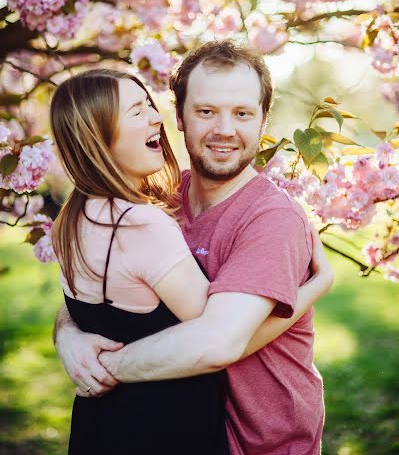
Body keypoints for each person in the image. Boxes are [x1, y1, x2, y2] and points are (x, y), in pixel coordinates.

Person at [54, 41, 334, 455]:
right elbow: (106, 284)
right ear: (180, 117)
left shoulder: (271, 218)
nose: (224, 129)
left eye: (242, 113)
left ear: (262, 120)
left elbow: (214, 341)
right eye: (206, 111)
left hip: (259, 443)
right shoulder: (160, 197)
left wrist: (105, 367)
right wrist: (69, 334)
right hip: (176, 430)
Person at [50, 69, 230, 454]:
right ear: (99, 138)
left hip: (99, 427)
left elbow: (81, 309)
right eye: (136, 110)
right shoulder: (138, 224)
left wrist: (66, 334)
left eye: (148, 103)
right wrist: (315, 286)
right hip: (166, 430)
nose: (156, 117)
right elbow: (219, 336)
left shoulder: (71, 218)